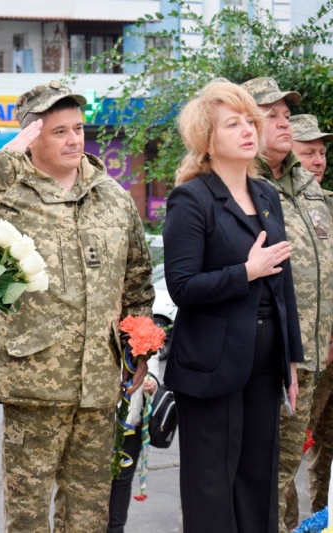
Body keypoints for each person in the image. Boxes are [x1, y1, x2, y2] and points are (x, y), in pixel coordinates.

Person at [0, 80, 154, 533]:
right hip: (33, 380)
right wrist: (7, 155)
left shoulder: (112, 197)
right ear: (32, 138)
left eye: (77, 128)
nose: (75, 139)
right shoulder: (6, 194)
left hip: (99, 381)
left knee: (89, 513)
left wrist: (140, 348)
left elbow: (137, 280)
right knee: (28, 514)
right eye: (58, 131)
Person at [163, 79, 302, 533]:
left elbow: (284, 283)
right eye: (232, 123)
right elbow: (182, 287)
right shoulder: (191, 199)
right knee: (211, 487)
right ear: (208, 139)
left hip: (263, 363)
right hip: (210, 366)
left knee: (258, 480)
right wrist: (246, 271)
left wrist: (291, 360)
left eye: (250, 121)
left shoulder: (266, 196)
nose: (247, 130)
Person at [240, 78, 333, 533]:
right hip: (267, 353)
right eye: (272, 114)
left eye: (283, 114)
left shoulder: (306, 186)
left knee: (286, 469)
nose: (282, 122)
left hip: (313, 353)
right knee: (265, 472)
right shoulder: (239, 182)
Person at [290, 113, 333, 514]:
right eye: (309, 153)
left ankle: (322, 519)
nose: (318, 160)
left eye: (322, 153)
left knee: (327, 447)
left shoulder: (329, 205)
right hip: (303, 353)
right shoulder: (271, 202)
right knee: (289, 450)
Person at [106, 357, 159, 533]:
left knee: (122, 480)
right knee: (92, 480)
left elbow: (151, 359)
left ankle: (115, 529)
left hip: (130, 418)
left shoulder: (142, 329)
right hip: (97, 419)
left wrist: (152, 381)